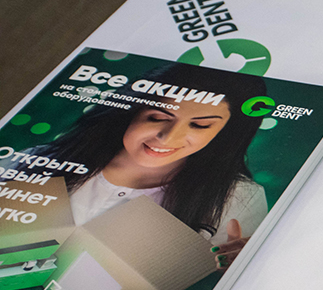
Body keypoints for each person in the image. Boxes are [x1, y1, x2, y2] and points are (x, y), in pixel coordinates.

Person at [33, 62, 269, 269]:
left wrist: (239, 270)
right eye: (157, 118)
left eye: (199, 125)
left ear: (223, 133)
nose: (168, 138)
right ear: (131, 112)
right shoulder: (37, 159)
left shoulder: (238, 198)